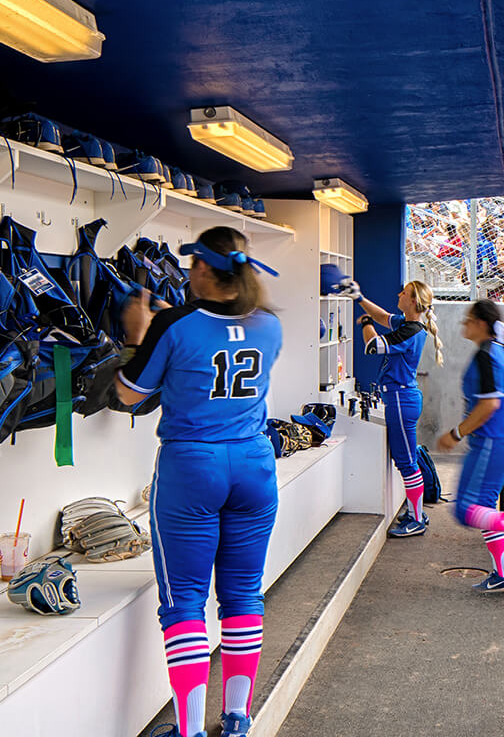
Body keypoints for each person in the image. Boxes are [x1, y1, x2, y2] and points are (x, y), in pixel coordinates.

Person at [115, 228, 283, 737]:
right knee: (243, 595)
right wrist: (171, 324)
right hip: (254, 465)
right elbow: (215, 340)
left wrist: (139, 335)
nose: (188, 273)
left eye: (192, 266)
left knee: (185, 600)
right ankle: (236, 721)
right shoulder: (269, 324)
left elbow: (127, 394)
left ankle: (190, 732)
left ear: (207, 270)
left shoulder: (173, 323)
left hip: (193, 468)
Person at [435, 299, 504, 594]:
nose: (463, 324)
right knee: (484, 508)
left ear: (481, 324)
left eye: (468, 320)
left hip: (491, 442)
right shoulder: (497, 350)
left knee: (465, 509)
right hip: (502, 439)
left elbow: (488, 405)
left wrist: (455, 434)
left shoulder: (487, 355)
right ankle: (502, 574)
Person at [357, 280, 444, 537]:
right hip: (400, 397)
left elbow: (372, 346)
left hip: (400, 399)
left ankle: (416, 518)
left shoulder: (411, 330)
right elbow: (382, 316)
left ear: (413, 302)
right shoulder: (408, 324)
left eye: (403, 293)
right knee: (405, 459)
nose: (399, 294)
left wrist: (364, 324)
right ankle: (415, 511)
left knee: (406, 462)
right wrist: (359, 297)